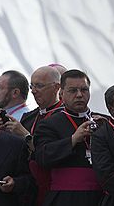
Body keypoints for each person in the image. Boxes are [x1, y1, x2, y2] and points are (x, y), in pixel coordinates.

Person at [34, 69, 104, 205]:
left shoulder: (103, 122)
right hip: (65, 198)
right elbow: (42, 157)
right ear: (61, 93)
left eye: (84, 90)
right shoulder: (49, 123)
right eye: (73, 91)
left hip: (100, 196)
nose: (79, 95)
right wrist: (73, 140)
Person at [1, 65, 64, 206]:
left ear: (56, 87)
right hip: (28, 188)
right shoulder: (29, 117)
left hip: (55, 187)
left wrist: (25, 135)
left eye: (39, 86)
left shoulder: (64, 117)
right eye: (32, 86)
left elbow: (55, 152)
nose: (34, 91)